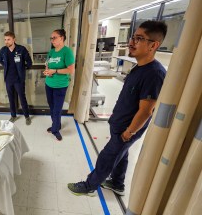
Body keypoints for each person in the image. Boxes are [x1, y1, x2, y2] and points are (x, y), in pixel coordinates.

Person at [67, 20, 167, 196]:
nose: (131, 42)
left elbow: (146, 110)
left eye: (139, 38)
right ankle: (117, 183)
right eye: (133, 37)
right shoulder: (139, 68)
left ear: (154, 45)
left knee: (107, 157)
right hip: (121, 124)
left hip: (127, 129)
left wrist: (129, 132)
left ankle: (89, 186)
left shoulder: (154, 74)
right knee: (121, 155)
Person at [43, 29, 75, 141]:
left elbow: (71, 70)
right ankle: (57, 124)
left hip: (60, 86)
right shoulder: (51, 52)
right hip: (49, 84)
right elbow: (47, 64)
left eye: (54, 37)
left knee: (57, 109)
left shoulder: (67, 52)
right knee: (52, 108)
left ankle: (55, 129)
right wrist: (47, 71)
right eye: (51, 38)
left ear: (62, 38)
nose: (52, 40)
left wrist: (55, 71)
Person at [0, 31, 33, 125]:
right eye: (5, 39)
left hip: (19, 79)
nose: (6, 41)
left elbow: (29, 62)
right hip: (8, 79)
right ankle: (13, 115)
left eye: (8, 39)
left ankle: (27, 116)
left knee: (22, 98)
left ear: (14, 39)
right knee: (11, 98)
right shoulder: (3, 50)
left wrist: (23, 68)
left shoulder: (21, 49)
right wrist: (5, 66)